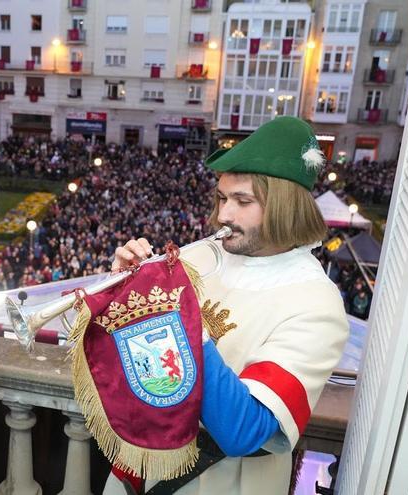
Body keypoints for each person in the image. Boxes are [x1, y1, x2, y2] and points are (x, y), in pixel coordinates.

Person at [105, 117, 349, 495]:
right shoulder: (204, 254)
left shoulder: (317, 304)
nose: (223, 216)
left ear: (284, 205)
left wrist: (183, 324)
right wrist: (122, 291)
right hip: (140, 464)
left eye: (242, 201)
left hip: (219, 482)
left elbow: (243, 430)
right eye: (222, 198)